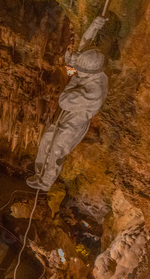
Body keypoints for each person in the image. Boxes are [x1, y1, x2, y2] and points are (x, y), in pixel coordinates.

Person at [26, 16, 109, 191]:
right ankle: (38, 172)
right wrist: (95, 24)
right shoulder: (91, 66)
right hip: (70, 113)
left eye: (81, 71)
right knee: (47, 139)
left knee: (57, 149)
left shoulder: (95, 91)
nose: (78, 71)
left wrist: (74, 78)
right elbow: (86, 40)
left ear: (90, 72)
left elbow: (64, 101)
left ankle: (46, 182)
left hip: (75, 122)